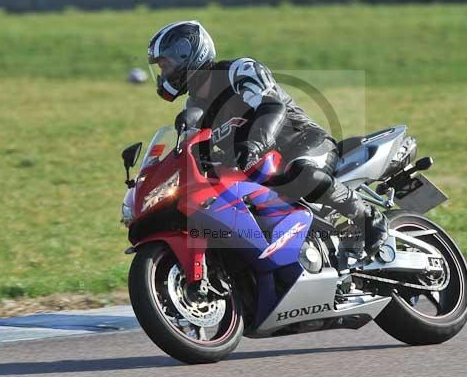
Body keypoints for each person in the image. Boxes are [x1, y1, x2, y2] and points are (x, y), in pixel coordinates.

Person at [147, 20, 388, 259]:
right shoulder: (196, 107)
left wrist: (254, 144)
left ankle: (369, 219)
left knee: (301, 172)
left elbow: (272, 107)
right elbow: (198, 153)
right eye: (160, 67)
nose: (163, 73)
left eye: (165, 64)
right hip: (261, 169)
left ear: (186, 54)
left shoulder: (239, 71)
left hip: (303, 141)